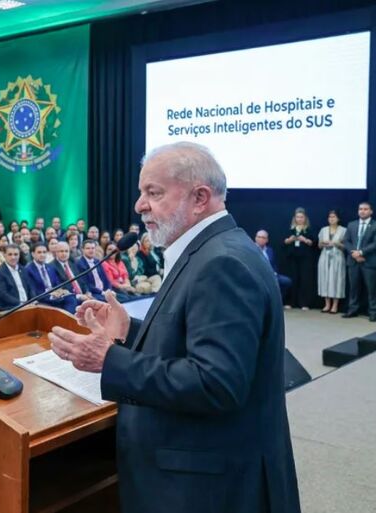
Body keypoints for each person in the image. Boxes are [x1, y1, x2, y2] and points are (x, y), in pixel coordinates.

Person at [48, 142, 299, 513]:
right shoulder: (210, 249)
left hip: (209, 488)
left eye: (154, 192)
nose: (139, 205)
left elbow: (216, 384)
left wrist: (110, 359)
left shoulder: (222, 264)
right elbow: (191, 340)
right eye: (141, 192)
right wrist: (132, 332)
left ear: (200, 198)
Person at [343, 201, 376, 320]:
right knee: (353, 287)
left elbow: (374, 244)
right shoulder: (352, 224)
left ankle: (373, 312)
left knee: (372, 289)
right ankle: (352, 310)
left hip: (369, 262)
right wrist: (354, 253)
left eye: (365, 209)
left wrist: (361, 252)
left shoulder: (375, 225)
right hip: (353, 261)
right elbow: (346, 241)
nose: (362, 211)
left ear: (371, 211)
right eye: (360, 209)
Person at [282, 207, 317, 310]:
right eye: (297, 217)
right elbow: (283, 242)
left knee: (304, 280)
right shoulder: (290, 229)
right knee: (292, 279)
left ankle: (304, 303)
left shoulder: (309, 229)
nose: (299, 219)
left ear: (305, 218)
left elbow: (314, 243)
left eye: (301, 217)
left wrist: (305, 240)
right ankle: (290, 302)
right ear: (295, 218)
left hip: (305, 258)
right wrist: (289, 240)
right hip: (292, 257)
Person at [317, 210, 346, 314]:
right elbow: (319, 245)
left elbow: (346, 247)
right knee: (324, 279)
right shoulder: (323, 230)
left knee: (336, 280)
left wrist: (336, 243)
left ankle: (335, 305)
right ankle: (327, 304)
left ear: (338, 218)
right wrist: (323, 243)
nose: (331, 219)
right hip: (324, 257)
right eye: (330, 217)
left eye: (333, 217)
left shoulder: (343, 230)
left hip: (337, 257)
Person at [0, 244, 31, 311]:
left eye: (16, 254)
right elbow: (2, 294)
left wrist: (33, 300)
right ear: (4, 255)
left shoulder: (23, 270)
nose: (13, 257)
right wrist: (21, 304)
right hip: (10, 308)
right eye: (10, 254)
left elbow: (30, 288)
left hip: (27, 306)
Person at [255, 230, 292, 303]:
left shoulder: (270, 250)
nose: (260, 239)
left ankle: (277, 302)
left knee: (287, 281)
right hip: (257, 275)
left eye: (263, 237)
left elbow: (274, 264)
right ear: (255, 238)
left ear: (267, 240)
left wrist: (274, 273)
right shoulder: (250, 249)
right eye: (259, 237)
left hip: (271, 275)